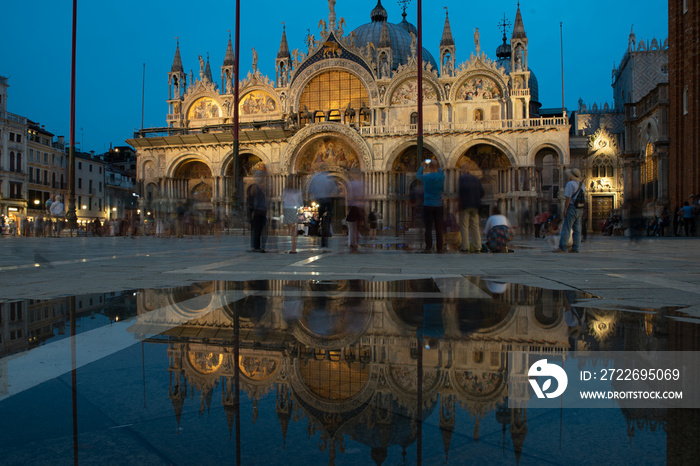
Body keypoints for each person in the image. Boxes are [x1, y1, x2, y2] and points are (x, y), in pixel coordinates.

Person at [416, 158, 445, 253]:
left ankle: (428, 247)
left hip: (428, 204)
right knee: (438, 228)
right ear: (437, 167)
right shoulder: (441, 177)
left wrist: (422, 166)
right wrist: (438, 166)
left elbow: (418, 175)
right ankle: (440, 248)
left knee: (428, 228)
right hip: (438, 204)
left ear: (429, 167)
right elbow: (442, 172)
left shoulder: (425, 177)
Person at [555, 168, 585, 253]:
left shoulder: (570, 184)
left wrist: (565, 209)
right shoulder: (582, 184)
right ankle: (576, 248)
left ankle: (562, 247)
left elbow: (568, 198)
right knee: (577, 229)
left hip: (572, 207)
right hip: (580, 208)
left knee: (566, 228)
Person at [457, 164, 484, 253]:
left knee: (464, 226)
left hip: (466, 205)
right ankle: (478, 247)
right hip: (475, 205)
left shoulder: (462, 179)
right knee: (475, 226)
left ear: (463, 171)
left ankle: (465, 247)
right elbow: (482, 192)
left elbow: (461, 191)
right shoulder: (476, 179)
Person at [308, 171, 338, 249]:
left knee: (319, 215)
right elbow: (335, 189)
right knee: (329, 214)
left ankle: (316, 227)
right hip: (327, 199)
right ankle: (329, 223)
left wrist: (312, 196)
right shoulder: (329, 179)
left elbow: (310, 189)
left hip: (319, 199)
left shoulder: (315, 178)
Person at [282, 177, 303, 254]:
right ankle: (293, 249)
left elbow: (282, 199)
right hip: (294, 210)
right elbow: (300, 202)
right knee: (294, 230)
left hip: (287, 209)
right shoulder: (298, 191)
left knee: (285, 228)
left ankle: (283, 247)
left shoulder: (286, 191)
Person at [248, 171, 268, 252]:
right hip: (257, 212)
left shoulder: (262, 187)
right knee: (257, 230)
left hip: (262, 211)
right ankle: (255, 247)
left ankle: (259, 247)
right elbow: (250, 200)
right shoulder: (254, 187)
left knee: (261, 230)